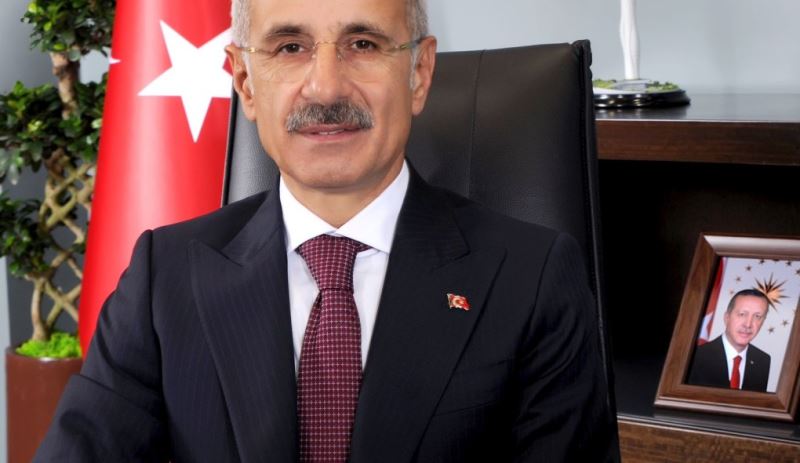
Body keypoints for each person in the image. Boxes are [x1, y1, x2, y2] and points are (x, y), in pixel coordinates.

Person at [36, 0, 617, 461]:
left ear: (419, 74)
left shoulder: (532, 278)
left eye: (363, 44)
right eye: (289, 47)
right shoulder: (164, 276)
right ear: (245, 82)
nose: (326, 88)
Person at [688, 289, 771, 392]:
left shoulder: (762, 361)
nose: (748, 324)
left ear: (763, 322)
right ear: (727, 317)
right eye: (742, 314)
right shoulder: (696, 357)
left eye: (757, 316)